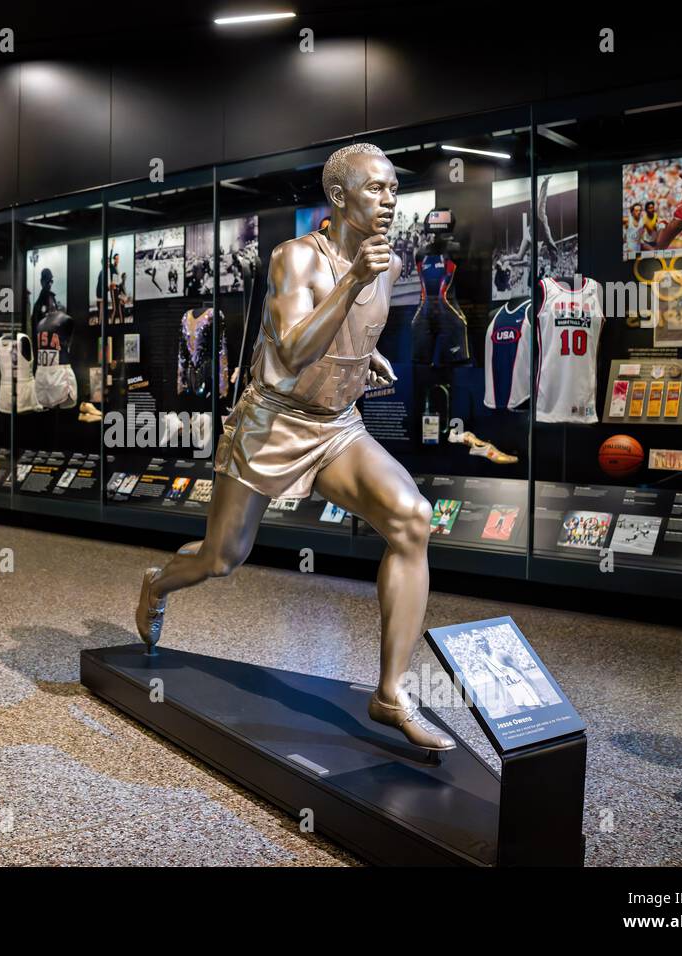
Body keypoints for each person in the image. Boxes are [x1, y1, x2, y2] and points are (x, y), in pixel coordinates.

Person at [133, 142, 452, 751]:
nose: (389, 201)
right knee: (222, 559)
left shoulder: (385, 260)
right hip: (273, 421)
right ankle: (158, 582)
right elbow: (294, 352)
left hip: (336, 425)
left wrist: (368, 356)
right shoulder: (294, 258)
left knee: (412, 519)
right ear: (339, 197)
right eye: (376, 189)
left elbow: (347, 333)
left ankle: (390, 694)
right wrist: (355, 278)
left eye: (393, 189)